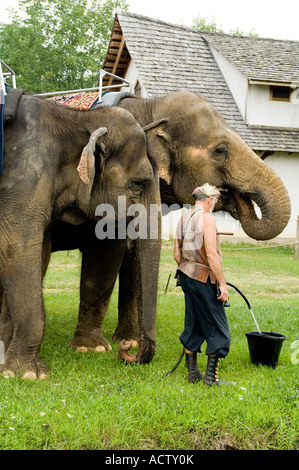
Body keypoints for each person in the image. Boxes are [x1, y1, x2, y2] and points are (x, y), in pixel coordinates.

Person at [174, 183, 233, 386]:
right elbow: (211, 254)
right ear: (209, 200)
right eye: (215, 201)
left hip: (185, 275)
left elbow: (176, 254)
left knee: (194, 321)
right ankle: (210, 378)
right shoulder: (207, 218)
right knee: (218, 326)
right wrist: (222, 284)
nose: (215, 205)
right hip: (203, 278)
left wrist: (189, 270)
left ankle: (193, 373)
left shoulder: (184, 217)